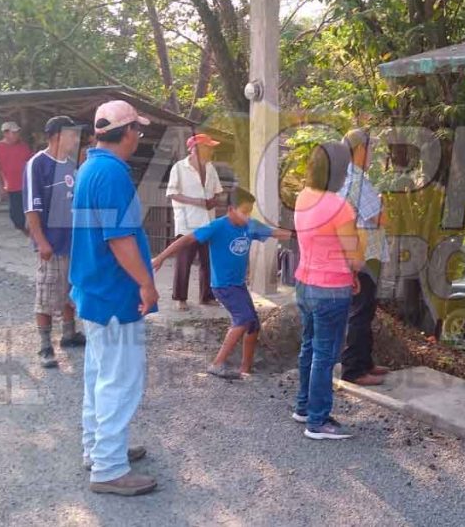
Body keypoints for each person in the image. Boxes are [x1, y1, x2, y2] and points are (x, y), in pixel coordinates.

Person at [71, 100, 158, 496]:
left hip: (94, 289)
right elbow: (119, 238)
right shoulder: (113, 175)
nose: (139, 135)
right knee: (120, 381)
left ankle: (100, 450)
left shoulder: (91, 167)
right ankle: (108, 468)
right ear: (125, 133)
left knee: (98, 374)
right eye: (137, 129)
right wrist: (146, 283)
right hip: (115, 291)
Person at [152, 188, 292, 379]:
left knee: (253, 326)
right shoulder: (217, 226)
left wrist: (299, 233)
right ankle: (217, 364)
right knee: (243, 320)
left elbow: (275, 233)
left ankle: (245, 370)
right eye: (244, 211)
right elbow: (187, 239)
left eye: (249, 211)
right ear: (231, 209)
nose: (247, 215)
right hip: (223, 286)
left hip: (239, 285)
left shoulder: (250, 225)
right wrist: (160, 258)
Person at [292, 141, 364, 440]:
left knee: (309, 346)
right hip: (331, 289)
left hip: (305, 283)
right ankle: (318, 421)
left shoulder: (302, 197)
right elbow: (356, 258)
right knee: (325, 354)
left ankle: (304, 407)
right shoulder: (339, 206)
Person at [24, 116, 86, 368]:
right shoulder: (37, 164)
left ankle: (69, 333)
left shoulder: (72, 165)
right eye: (71, 134)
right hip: (51, 242)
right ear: (56, 136)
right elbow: (31, 208)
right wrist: (41, 242)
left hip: (73, 241)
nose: (75, 139)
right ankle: (45, 346)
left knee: (71, 291)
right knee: (47, 293)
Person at [337, 128, 391, 386]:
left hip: (356, 250)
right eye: (370, 148)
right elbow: (380, 217)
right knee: (361, 309)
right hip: (363, 252)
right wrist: (383, 202)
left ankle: (364, 362)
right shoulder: (357, 181)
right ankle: (354, 370)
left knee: (365, 308)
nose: (373, 154)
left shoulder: (345, 177)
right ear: (359, 149)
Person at [166, 133, 224, 310]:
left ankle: (207, 296)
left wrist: (213, 200)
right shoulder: (179, 168)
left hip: (207, 221)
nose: (211, 150)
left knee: (208, 262)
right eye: (208, 147)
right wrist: (197, 201)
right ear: (197, 149)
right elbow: (172, 193)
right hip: (187, 222)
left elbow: (217, 191)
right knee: (184, 262)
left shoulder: (211, 168)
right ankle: (180, 299)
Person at [0, 121, 33, 233]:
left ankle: (28, 230)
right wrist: (0, 186)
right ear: (5, 133)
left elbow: (30, 161)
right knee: (15, 212)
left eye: (17, 132)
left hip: (25, 183)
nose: (16, 135)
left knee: (27, 209)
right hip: (10, 185)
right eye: (14, 132)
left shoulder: (23, 146)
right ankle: (22, 229)